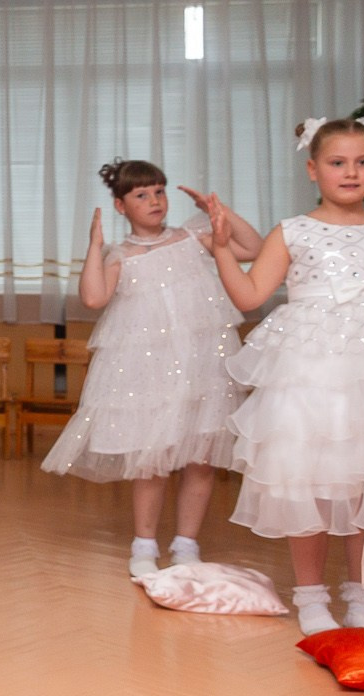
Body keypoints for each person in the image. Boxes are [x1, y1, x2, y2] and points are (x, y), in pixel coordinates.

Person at [207, 117, 364, 636]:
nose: (351, 172)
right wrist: (222, 246)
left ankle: (362, 596)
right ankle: (311, 596)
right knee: (308, 482)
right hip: (309, 373)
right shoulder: (294, 230)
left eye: (363, 161)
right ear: (313, 169)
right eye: (337, 163)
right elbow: (249, 296)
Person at [41, 160, 259, 576]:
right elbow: (92, 298)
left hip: (201, 365)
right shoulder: (120, 255)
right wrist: (94, 245)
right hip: (150, 372)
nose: (154, 200)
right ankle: (144, 545)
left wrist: (219, 210)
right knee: (152, 458)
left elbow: (252, 248)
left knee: (202, 457)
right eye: (142, 195)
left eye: (159, 191)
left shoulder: (193, 236)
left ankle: (186, 544)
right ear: (121, 206)